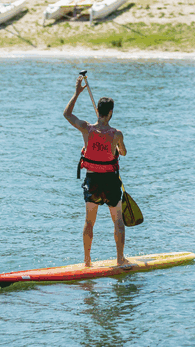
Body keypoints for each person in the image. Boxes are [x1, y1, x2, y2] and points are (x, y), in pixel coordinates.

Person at [63, 75, 128, 267]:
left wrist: (76, 93)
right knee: (118, 221)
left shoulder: (86, 128)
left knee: (89, 222)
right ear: (110, 113)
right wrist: (117, 148)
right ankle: (120, 259)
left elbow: (67, 114)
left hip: (92, 181)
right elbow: (123, 153)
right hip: (110, 182)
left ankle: (87, 261)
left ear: (98, 111)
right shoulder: (116, 134)